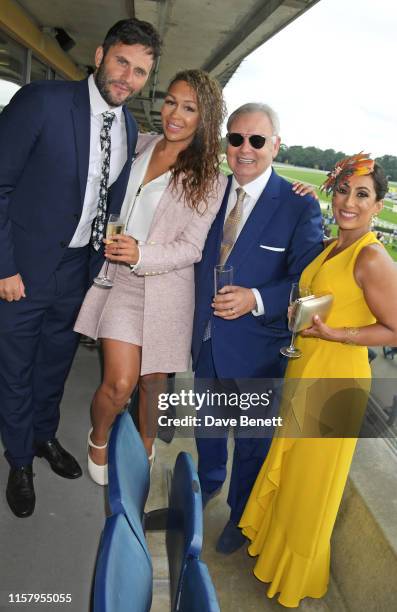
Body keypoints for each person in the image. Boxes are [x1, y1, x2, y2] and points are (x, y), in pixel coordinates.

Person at [0, 18, 161, 518]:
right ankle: (20, 460)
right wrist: (4, 267)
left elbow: (108, 204)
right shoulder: (42, 102)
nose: (127, 78)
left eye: (139, 72)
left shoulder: (129, 125)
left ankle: (44, 437)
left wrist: (105, 265)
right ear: (99, 55)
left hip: (77, 271)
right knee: (15, 369)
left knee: (54, 363)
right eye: (121, 62)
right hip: (22, 270)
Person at [240, 154, 397, 607]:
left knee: (311, 487)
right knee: (292, 475)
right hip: (307, 367)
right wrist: (301, 314)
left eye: (362, 194)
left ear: (378, 206)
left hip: (337, 379)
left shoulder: (371, 257)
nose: (349, 200)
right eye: (344, 189)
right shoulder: (334, 244)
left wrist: (337, 334)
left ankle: (294, 576)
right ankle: (273, 556)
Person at [74, 69, 228, 485]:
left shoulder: (210, 180)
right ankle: (100, 437)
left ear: (205, 118)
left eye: (189, 108)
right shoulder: (139, 145)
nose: (175, 114)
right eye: (171, 102)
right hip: (122, 284)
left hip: (168, 293)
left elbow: (191, 247)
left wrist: (143, 253)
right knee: (120, 383)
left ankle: (143, 446)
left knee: (154, 382)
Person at [191, 102, 324, 553]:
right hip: (205, 341)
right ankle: (207, 484)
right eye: (236, 138)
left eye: (257, 140)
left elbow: (307, 282)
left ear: (275, 146)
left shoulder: (297, 206)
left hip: (258, 351)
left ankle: (240, 514)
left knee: (250, 443)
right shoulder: (210, 193)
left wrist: (257, 299)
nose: (244, 149)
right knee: (207, 428)